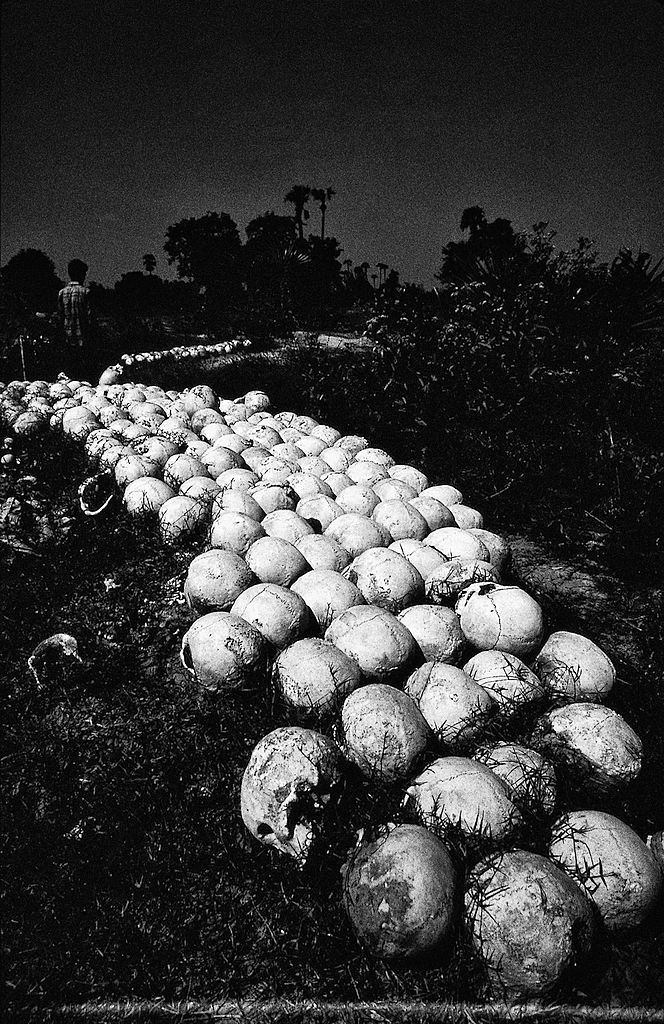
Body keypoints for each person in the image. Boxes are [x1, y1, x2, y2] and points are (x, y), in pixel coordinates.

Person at [58, 258, 94, 379]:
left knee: (70, 371)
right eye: (83, 274)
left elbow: (60, 316)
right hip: (83, 337)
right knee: (85, 371)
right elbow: (90, 316)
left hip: (67, 337)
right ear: (81, 274)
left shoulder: (62, 293)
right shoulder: (86, 292)